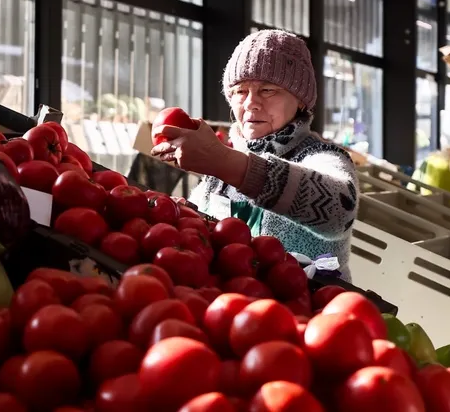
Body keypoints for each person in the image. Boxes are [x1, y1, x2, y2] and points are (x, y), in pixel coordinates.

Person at [151, 29, 360, 278]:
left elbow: (340, 210)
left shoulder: (322, 156)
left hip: (310, 306)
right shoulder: (221, 165)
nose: (250, 102)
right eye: (240, 91)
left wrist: (223, 162)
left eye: (268, 90)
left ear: (301, 101)